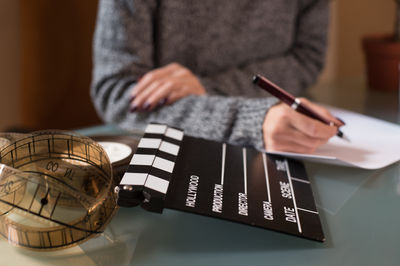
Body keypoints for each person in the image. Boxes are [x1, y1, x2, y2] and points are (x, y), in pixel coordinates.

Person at [91, 0, 343, 154]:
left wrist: (210, 87)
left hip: (289, 150)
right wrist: (246, 122)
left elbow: (307, 58)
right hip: (169, 158)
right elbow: (117, 93)